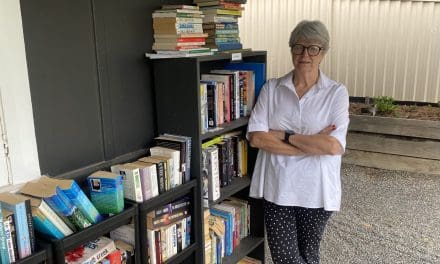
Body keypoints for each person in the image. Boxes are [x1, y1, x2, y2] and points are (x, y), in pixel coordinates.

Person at [247, 20, 350, 264]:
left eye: (313, 48)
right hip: (278, 187)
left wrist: (284, 135)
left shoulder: (336, 93)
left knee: (308, 255)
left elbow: (333, 147)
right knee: (285, 258)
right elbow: (256, 138)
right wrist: (312, 144)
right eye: (298, 47)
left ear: (323, 52)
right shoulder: (272, 88)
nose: (305, 54)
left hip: (317, 190)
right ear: (291, 50)